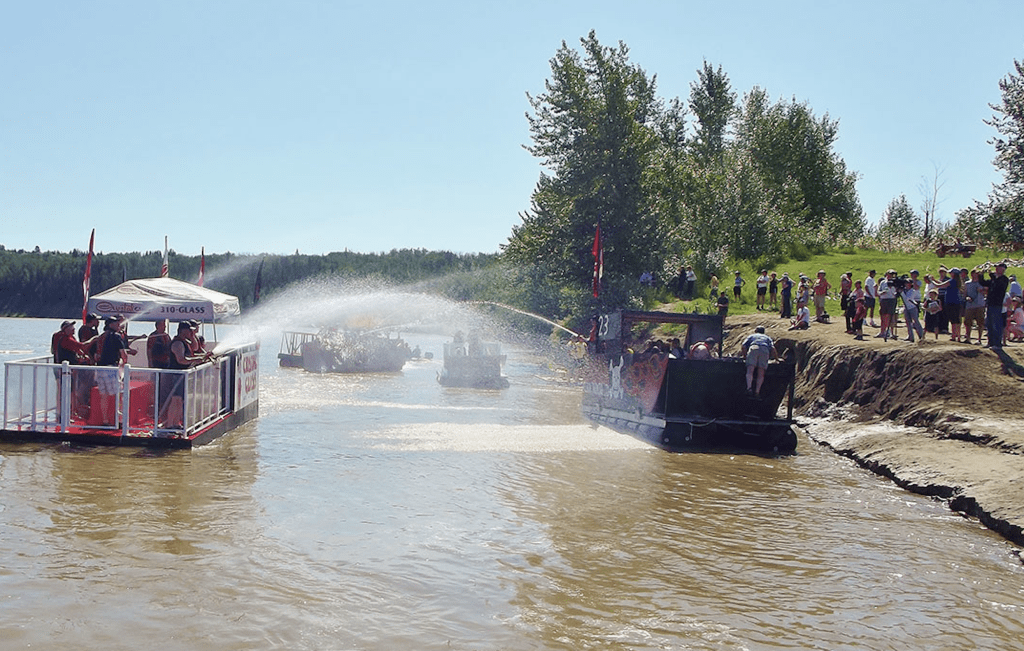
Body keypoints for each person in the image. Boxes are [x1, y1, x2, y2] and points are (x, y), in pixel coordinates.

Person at [96, 316, 137, 425]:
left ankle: (105, 420)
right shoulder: (116, 336)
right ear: (111, 325)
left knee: (103, 396)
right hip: (111, 368)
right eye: (116, 324)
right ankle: (117, 420)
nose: (119, 325)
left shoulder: (101, 336)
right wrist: (124, 366)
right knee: (118, 395)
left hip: (99, 368)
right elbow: (123, 354)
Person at [978, 262, 1010, 349]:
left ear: (1003, 269)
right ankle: (990, 342)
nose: (996, 269)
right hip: (990, 303)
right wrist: (981, 275)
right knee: (990, 324)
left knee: (996, 324)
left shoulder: (1004, 279)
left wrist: (993, 277)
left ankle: (997, 343)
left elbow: (999, 287)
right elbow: (983, 283)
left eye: (998, 268)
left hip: (997, 304)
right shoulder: (994, 279)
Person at [742, 326, 777, 398]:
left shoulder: (752, 336)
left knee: (750, 370)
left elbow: (743, 346)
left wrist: (745, 357)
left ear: (756, 331)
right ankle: (757, 392)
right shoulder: (767, 338)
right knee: (761, 373)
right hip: (765, 350)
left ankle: (749, 388)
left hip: (754, 348)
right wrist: (777, 358)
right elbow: (773, 348)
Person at [933, 267, 963, 342]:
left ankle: (953, 335)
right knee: (957, 319)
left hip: (951, 302)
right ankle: (958, 336)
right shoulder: (957, 281)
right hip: (957, 302)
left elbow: (938, 285)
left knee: (953, 320)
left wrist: (931, 280)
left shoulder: (952, 281)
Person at [963, 269, 985, 345]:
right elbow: (965, 294)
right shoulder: (967, 283)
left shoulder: (982, 283)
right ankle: (968, 337)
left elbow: (986, 293)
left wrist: (982, 291)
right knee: (968, 322)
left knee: (980, 322)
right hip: (970, 305)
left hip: (980, 304)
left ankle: (979, 339)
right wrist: (967, 298)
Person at [900, 276, 925, 343]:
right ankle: (910, 336)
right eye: (906, 283)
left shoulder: (912, 291)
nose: (906, 284)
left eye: (908, 283)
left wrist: (901, 292)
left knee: (916, 321)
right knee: (908, 322)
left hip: (912, 308)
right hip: (906, 307)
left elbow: (907, 299)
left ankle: (921, 336)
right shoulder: (905, 290)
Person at [876, 269, 898, 340]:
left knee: (891, 316)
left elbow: (897, 292)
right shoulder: (883, 282)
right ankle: (882, 331)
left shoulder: (895, 282)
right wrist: (882, 292)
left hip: (891, 300)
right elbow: (878, 291)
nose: (890, 276)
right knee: (883, 316)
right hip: (884, 299)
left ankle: (891, 332)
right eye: (889, 274)